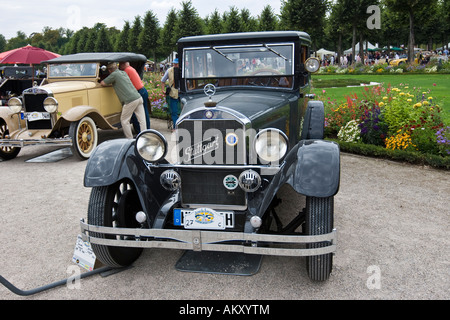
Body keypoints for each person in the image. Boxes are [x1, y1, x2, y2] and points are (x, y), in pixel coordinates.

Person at [101, 62, 146, 139]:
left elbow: (103, 83)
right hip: (138, 97)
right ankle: (144, 136)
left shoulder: (114, 75)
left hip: (129, 100)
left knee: (124, 121)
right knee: (142, 120)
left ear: (109, 70)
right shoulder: (123, 73)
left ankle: (129, 139)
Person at [119, 61, 150, 131]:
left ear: (124, 64)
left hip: (138, 92)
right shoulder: (131, 69)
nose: (119, 66)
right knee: (144, 112)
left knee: (137, 114)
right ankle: (147, 130)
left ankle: (139, 130)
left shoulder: (126, 70)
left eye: (120, 64)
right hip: (142, 90)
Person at [161, 58, 180, 129]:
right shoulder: (169, 71)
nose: (175, 65)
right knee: (174, 112)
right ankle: (176, 127)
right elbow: (162, 81)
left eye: (176, 64)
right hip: (173, 93)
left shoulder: (183, 70)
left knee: (180, 112)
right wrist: (163, 90)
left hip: (182, 94)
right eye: (174, 64)